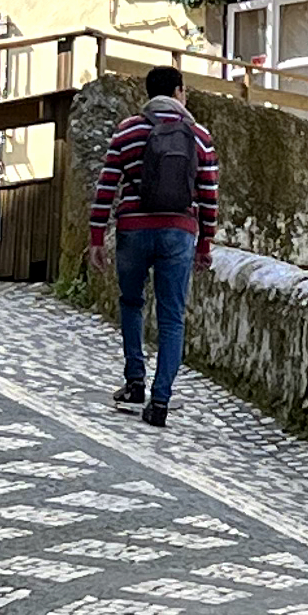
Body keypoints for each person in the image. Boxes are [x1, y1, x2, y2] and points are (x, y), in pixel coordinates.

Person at [87, 67, 220, 428]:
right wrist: (205, 242)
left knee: (131, 303)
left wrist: (97, 237)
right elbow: (208, 194)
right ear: (178, 92)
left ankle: (134, 382)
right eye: (185, 91)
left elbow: (106, 186)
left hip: (133, 229)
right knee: (172, 316)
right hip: (179, 231)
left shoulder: (128, 130)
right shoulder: (199, 136)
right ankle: (160, 399)